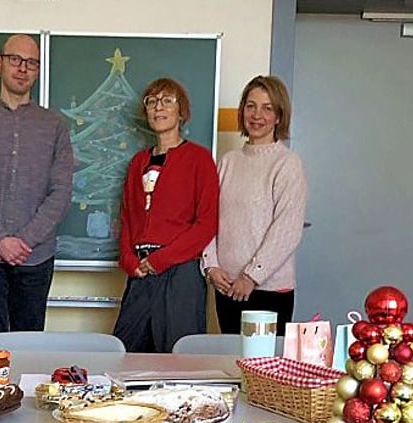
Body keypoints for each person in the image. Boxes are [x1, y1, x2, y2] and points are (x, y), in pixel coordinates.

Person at [0, 34, 74, 348]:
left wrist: (24, 241)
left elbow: (61, 192)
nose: (22, 68)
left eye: (31, 63)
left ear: (37, 70)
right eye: (15, 60)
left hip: (35, 256)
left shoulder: (55, 125)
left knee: (30, 344)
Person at [113, 78, 219, 353]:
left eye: (167, 101)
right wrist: (128, 260)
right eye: (152, 101)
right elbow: (127, 218)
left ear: (181, 111)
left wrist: (161, 260)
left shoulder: (199, 159)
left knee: (177, 360)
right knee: (127, 355)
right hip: (140, 271)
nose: (158, 107)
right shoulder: (138, 162)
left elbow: (206, 224)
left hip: (180, 273)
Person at [202, 75, 308, 334]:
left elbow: (286, 229)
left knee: (263, 371)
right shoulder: (228, 161)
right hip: (226, 286)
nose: (257, 115)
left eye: (267, 108)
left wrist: (251, 276)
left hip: (268, 291)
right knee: (230, 367)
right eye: (251, 106)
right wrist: (211, 265)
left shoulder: (287, 164)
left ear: (279, 116)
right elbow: (207, 218)